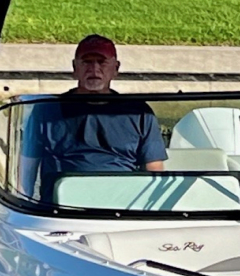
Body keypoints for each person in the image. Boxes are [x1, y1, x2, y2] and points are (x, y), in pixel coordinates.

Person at [18, 35, 167, 198]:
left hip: (122, 208)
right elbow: (26, 172)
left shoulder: (140, 113)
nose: (94, 69)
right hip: (60, 210)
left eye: (102, 62)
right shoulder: (46, 111)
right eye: (87, 62)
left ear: (115, 68)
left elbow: (154, 173)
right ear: (75, 68)